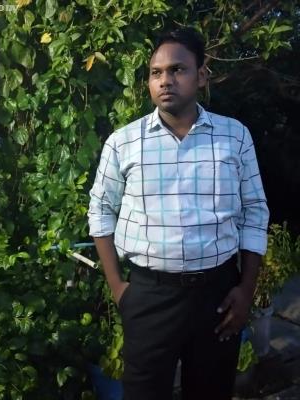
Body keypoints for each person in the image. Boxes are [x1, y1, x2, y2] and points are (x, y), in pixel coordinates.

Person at [88, 27, 269, 400]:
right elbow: (100, 211)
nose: (165, 80)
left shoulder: (234, 137)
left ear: (201, 76)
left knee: (211, 392)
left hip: (218, 296)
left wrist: (246, 289)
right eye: (156, 72)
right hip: (150, 297)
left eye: (177, 70)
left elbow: (254, 211)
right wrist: (119, 289)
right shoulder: (123, 143)